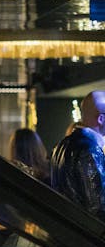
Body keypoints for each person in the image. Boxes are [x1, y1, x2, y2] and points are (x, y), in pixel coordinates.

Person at [50, 90, 105, 220]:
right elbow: (97, 206)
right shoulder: (88, 149)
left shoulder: (62, 145)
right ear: (101, 119)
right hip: (84, 235)